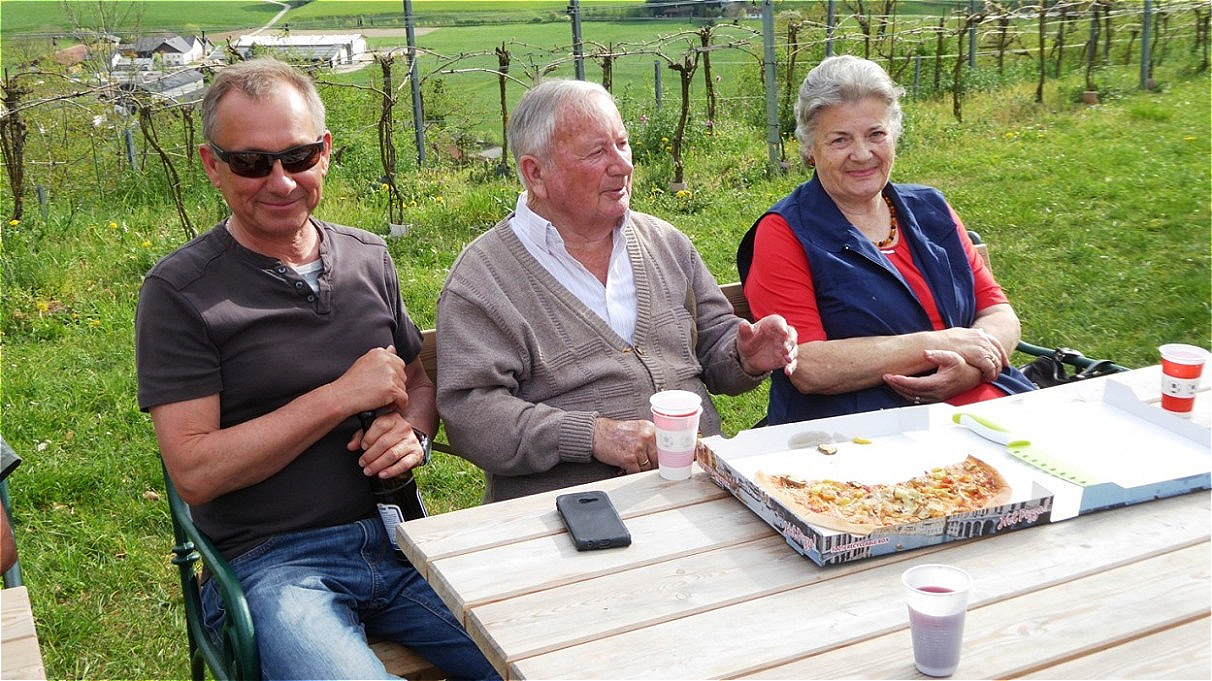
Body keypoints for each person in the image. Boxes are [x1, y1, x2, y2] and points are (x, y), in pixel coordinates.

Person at [135, 58, 497, 681]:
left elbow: (414, 380)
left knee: (552, 655)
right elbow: (193, 471)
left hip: (401, 539)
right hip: (271, 565)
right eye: (251, 162)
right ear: (211, 165)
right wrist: (336, 398)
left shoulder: (366, 257)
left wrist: (412, 432)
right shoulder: (180, 293)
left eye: (297, 157)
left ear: (325, 153)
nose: (279, 182)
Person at [436, 79, 798, 503]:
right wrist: (592, 435)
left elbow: (715, 340)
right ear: (536, 173)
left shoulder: (665, 242)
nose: (622, 165)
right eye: (596, 152)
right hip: (569, 513)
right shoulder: (483, 279)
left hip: (700, 490)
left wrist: (744, 355)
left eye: (622, 144)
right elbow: (472, 415)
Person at [738, 55, 1035, 426]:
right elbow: (808, 365)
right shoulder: (784, 232)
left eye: (875, 134)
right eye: (840, 139)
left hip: (986, 407)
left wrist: (972, 368)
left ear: (893, 135)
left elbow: (996, 311)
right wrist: (940, 346)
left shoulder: (931, 208)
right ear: (810, 150)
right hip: (862, 431)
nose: (862, 154)